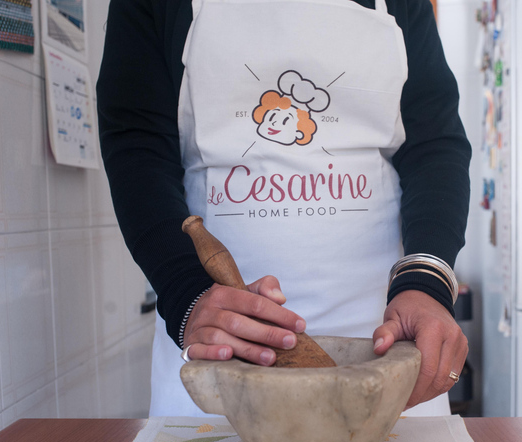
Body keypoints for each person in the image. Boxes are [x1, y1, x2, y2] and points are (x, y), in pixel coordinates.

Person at [97, 0, 471, 418]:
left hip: (390, 356)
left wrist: (427, 282)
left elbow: (433, 145)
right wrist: (188, 294)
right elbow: (136, 146)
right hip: (218, 353)